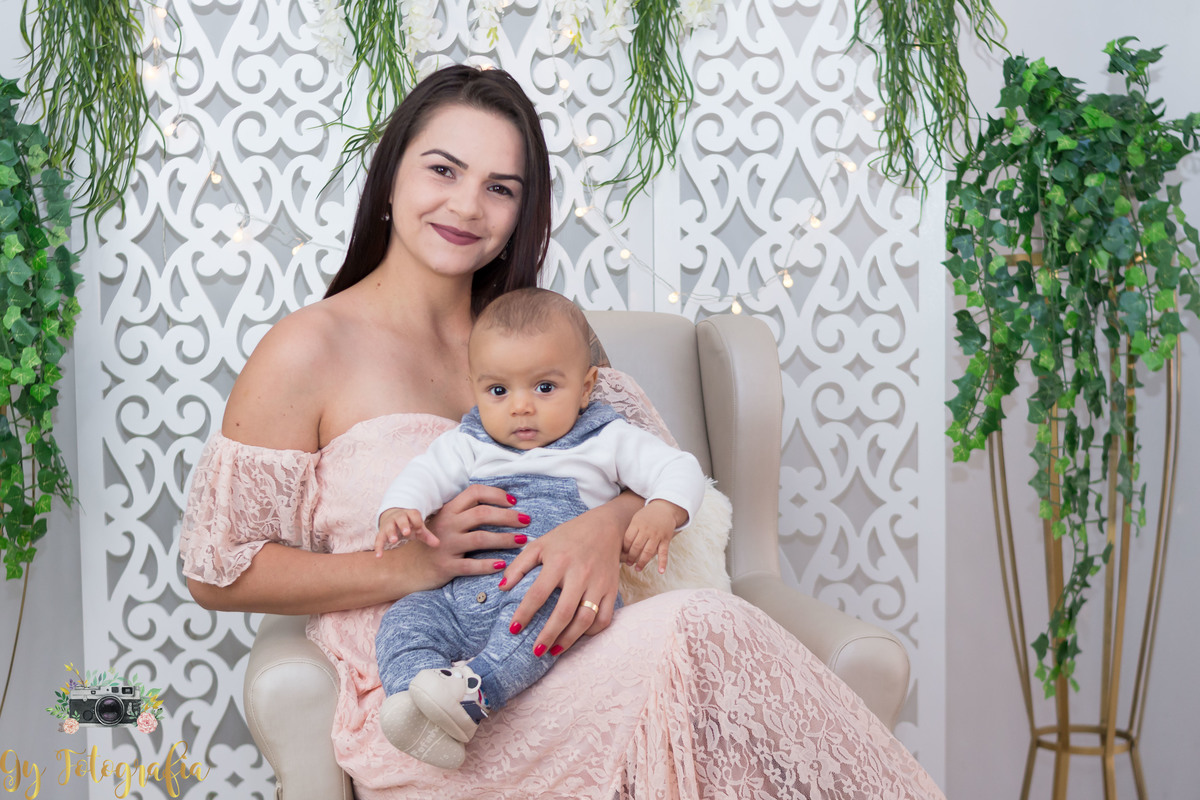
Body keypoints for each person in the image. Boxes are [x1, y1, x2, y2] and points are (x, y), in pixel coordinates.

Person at [180, 63, 946, 798]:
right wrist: (409, 568)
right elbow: (218, 571)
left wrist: (606, 527)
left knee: (702, 635)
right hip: (431, 702)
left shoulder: (547, 340)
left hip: (572, 657)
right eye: (442, 171)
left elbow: (674, 483)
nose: (467, 206)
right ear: (391, 178)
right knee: (703, 625)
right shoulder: (309, 348)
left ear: (523, 210)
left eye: (499, 188)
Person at [372, 287, 707, 769]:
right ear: (475, 388)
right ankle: (416, 704)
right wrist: (400, 509)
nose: (521, 407)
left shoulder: (604, 438)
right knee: (404, 620)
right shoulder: (468, 442)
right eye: (498, 391)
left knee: (549, 603)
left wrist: (661, 511)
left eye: (545, 387)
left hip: (555, 583)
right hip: (461, 594)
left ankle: (477, 690)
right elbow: (424, 474)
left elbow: (680, 469)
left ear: (587, 386)